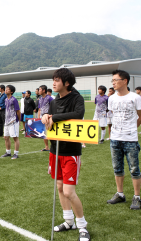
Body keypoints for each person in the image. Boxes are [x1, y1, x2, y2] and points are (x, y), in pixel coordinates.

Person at [40, 68, 90, 241]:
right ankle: (69, 221)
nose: (53, 83)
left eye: (57, 80)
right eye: (53, 79)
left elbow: (78, 114)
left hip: (71, 152)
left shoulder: (77, 98)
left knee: (69, 192)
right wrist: (46, 117)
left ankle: (82, 226)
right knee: (60, 188)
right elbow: (50, 120)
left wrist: (55, 117)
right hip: (55, 151)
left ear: (66, 83)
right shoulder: (54, 101)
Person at [107, 70, 141, 210]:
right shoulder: (111, 98)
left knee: (134, 169)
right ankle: (120, 194)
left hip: (130, 139)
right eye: (112, 80)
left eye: (116, 80)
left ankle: (137, 197)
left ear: (125, 81)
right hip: (115, 139)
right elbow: (112, 116)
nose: (113, 83)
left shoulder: (135, 97)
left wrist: (131, 129)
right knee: (117, 168)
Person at [1, 85, 21, 159]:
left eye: (8, 89)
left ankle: (16, 153)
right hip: (6, 122)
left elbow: (18, 111)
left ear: (11, 91)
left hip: (13, 121)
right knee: (6, 137)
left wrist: (18, 120)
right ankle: (8, 152)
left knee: (15, 138)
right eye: (6, 89)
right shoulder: (6, 99)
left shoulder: (14, 99)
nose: (6, 90)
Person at [38, 85, 54, 151]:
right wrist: (39, 117)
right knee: (43, 133)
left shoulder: (49, 98)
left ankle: (53, 146)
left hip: (48, 118)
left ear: (44, 90)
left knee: (50, 133)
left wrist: (51, 116)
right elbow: (39, 109)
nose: (39, 91)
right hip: (42, 118)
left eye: (40, 89)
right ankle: (46, 147)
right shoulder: (40, 99)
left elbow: (54, 107)